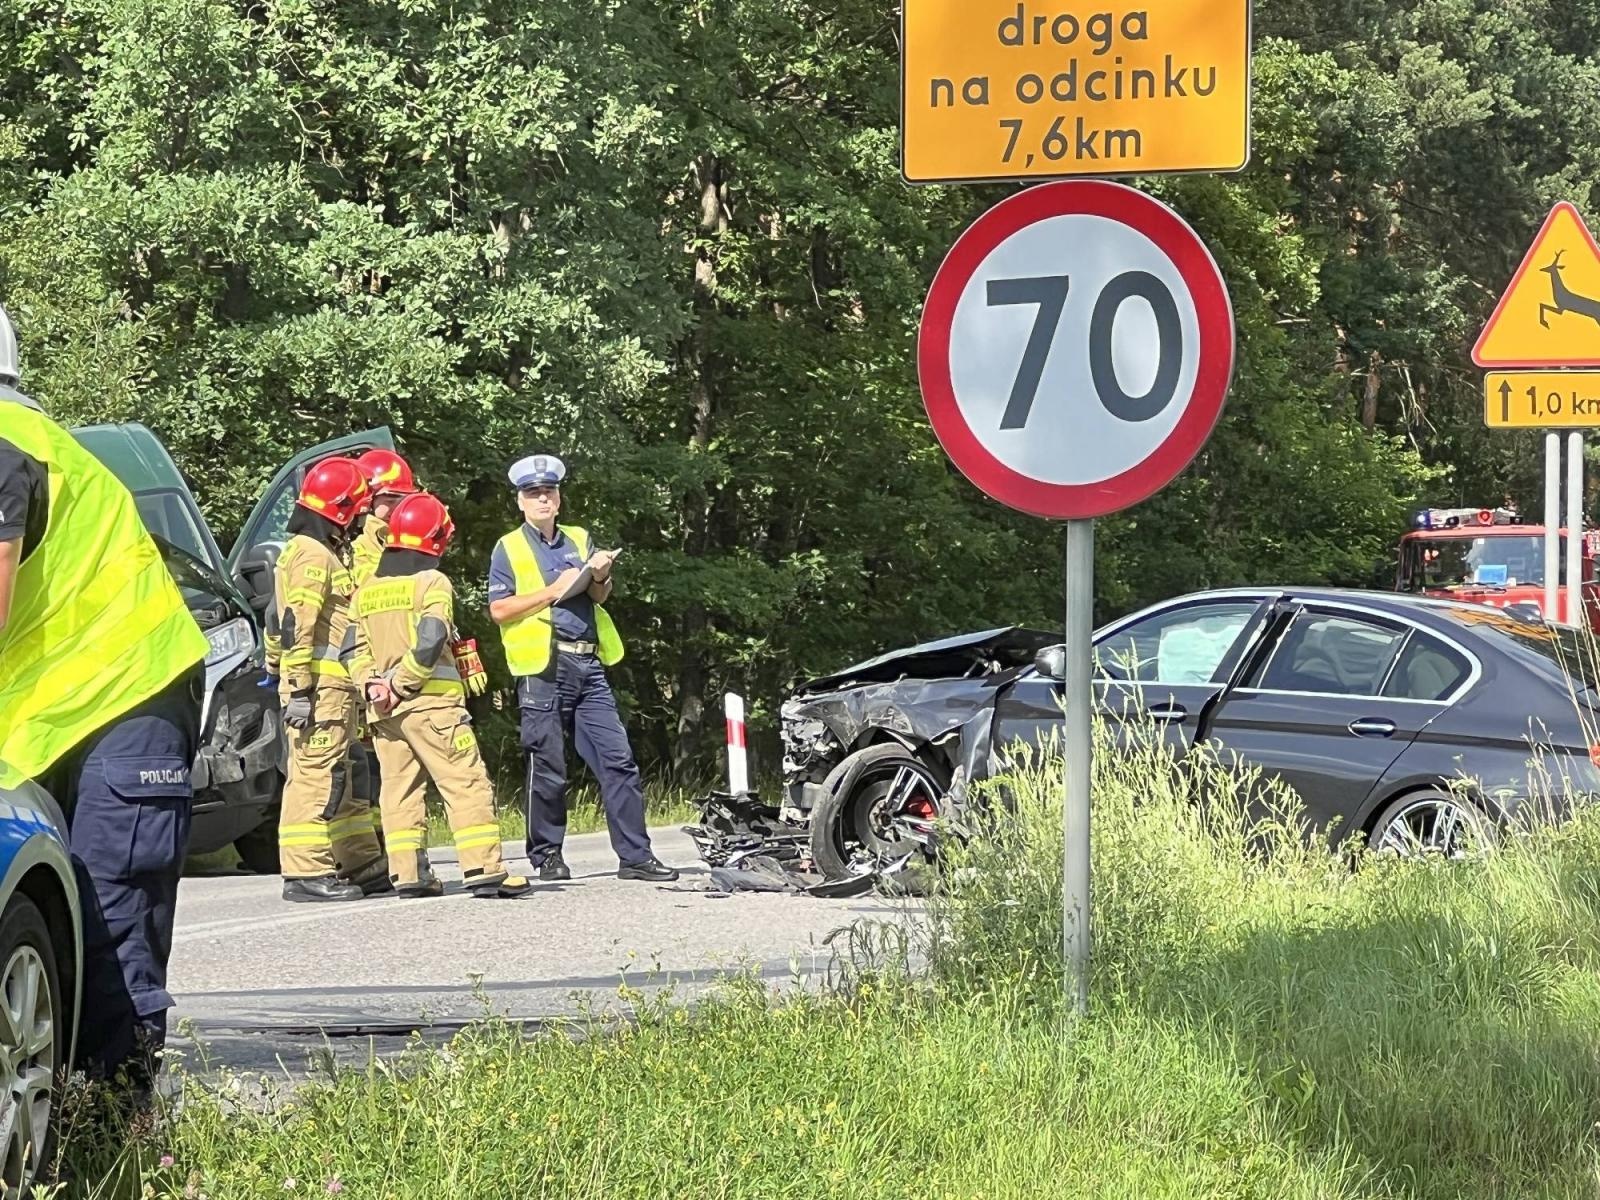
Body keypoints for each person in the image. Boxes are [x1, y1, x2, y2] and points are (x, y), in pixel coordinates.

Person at [0, 302, 208, 1090]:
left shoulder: (4, 443)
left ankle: (114, 1145)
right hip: (58, 711)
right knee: (47, 919)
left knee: (107, 923)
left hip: (126, 702)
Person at [487, 454, 678, 882]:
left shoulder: (578, 537)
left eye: (549, 492)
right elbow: (499, 610)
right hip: (544, 666)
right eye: (533, 494)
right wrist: (550, 591)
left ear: (559, 498)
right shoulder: (509, 546)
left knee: (619, 760)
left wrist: (600, 575)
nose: (542, 499)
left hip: (589, 663)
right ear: (520, 501)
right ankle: (547, 856)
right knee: (548, 764)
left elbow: (600, 597)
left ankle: (635, 856)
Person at [349, 491, 531, 898]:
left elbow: (353, 650)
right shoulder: (432, 581)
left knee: (398, 792)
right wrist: (402, 684)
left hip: (385, 714)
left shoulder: (366, 590)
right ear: (434, 539)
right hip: (433, 708)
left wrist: (373, 687)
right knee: (466, 782)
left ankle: (409, 875)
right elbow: (430, 638)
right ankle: (484, 868)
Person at [274, 457, 390, 901]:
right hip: (319, 690)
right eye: (357, 512)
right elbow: (297, 624)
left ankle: (359, 861)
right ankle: (304, 873)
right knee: (315, 777)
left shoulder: (318, 552)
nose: (360, 520)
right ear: (340, 510)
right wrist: (299, 687)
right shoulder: (313, 555)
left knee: (341, 775)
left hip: (333, 689)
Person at [351, 448, 419, 587]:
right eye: (389, 501)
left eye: (401, 502)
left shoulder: (388, 532)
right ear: (368, 498)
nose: (395, 509)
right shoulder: (360, 534)